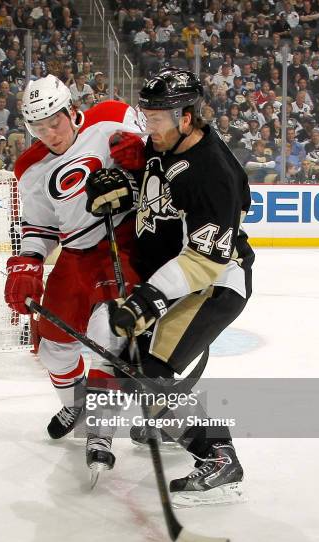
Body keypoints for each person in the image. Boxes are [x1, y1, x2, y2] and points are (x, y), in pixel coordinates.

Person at [85, 68, 255, 506]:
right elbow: (156, 195)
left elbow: (205, 259)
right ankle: (168, 420)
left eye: (157, 118)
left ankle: (218, 456)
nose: (148, 127)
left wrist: (148, 299)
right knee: (140, 363)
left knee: (151, 371)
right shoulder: (164, 145)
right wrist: (122, 189)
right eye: (147, 116)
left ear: (185, 118)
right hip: (175, 281)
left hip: (213, 284)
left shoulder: (213, 172)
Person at [4, 75, 143, 474]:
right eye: (38, 127)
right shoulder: (30, 165)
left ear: (70, 110)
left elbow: (162, 162)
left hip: (122, 241)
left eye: (54, 122)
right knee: (52, 345)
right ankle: (77, 407)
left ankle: (102, 429)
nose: (49, 134)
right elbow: (40, 228)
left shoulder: (112, 117)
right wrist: (28, 263)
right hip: (76, 253)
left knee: (107, 333)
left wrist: (141, 157)